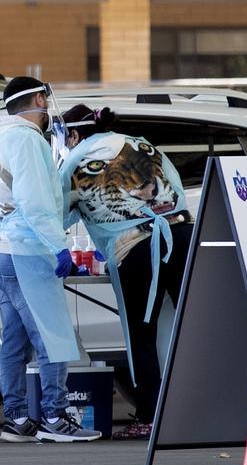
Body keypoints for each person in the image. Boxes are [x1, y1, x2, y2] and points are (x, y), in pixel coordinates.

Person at [59, 104, 193, 439]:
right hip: (183, 236)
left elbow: (57, 215)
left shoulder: (76, 161)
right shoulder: (142, 143)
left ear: (73, 134)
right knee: (194, 326)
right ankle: (211, 407)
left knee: (141, 337)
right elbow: (177, 191)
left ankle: (149, 415)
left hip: (137, 247)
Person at [0, 78, 101, 443]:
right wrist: (58, 246)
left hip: (1, 250)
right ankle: (54, 416)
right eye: (46, 101)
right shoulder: (29, 140)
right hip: (29, 249)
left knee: (15, 341)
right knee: (51, 336)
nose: (50, 108)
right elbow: (35, 202)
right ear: (37, 99)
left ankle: (16, 419)